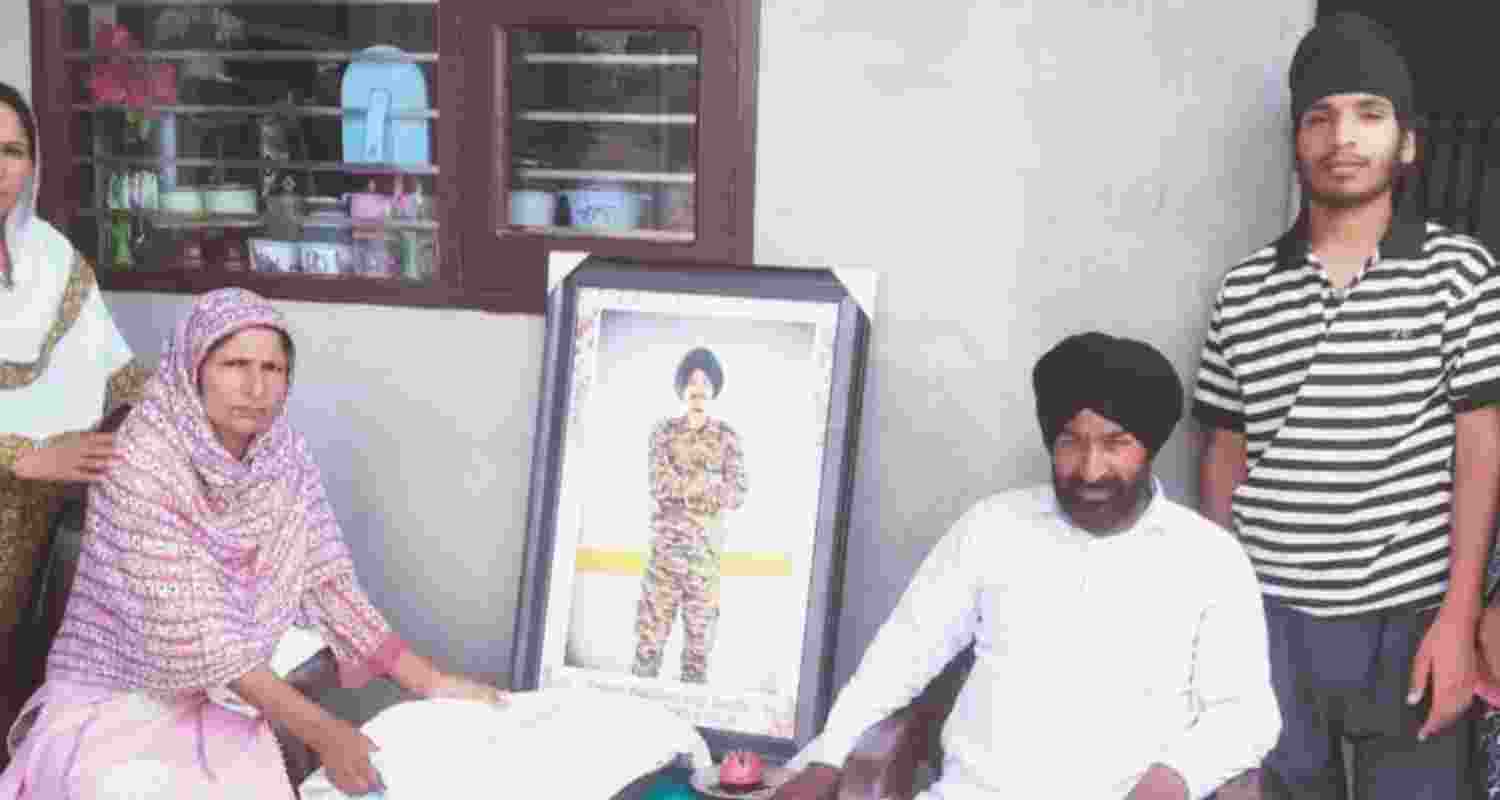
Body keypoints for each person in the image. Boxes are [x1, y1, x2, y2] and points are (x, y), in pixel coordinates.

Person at [0, 288, 504, 799]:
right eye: (234, 364)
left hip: (219, 696)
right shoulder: (140, 461)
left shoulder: (282, 454)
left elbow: (326, 580)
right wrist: (325, 733)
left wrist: (430, 682)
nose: (255, 387)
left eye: (272, 368)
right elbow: (196, 632)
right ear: (194, 369)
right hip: (120, 700)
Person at [1194, 12, 1500, 798]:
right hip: (1270, 615)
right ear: (1297, 143)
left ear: (1408, 142)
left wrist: (1459, 619)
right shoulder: (1244, 291)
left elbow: (1481, 447)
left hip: (1409, 614)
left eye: (1370, 113)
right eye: (1319, 117)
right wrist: (1221, 611)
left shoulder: (1460, 274)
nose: (1343, 137)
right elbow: (1226, 451)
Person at [774, 332, 1281, 799]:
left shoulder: (1209, 558)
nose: (1090, 469)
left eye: (1115, 443)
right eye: (1070, 442)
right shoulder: (993, 527)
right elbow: (897, 660)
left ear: (1148, 446)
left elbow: (1246, 714)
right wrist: (827, 757)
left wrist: (1174, 776)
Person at [0, 80, 150, 747]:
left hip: (39, 525)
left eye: (12, 151)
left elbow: (118, 375)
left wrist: (200, 398)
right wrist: (22, 455)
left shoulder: (51, 258)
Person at [631, 346, 748, 684]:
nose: (698, 388)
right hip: (664, 562)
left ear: (714, 390)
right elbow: (659, 484)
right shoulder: (663, 433)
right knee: (647, 650)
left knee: (697, 661)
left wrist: (685, 487)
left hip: (705, 564)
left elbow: (737, 492)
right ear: (682, 388)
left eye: (705, 382)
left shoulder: (727, 438)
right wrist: (710, 485)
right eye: (692, 381)